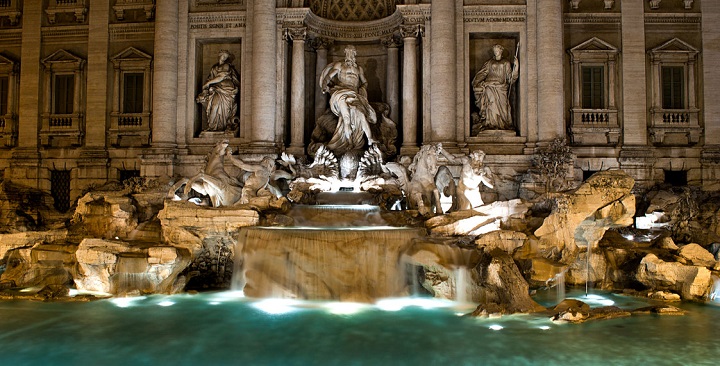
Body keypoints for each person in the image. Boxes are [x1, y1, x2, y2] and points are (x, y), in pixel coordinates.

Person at [319, 45, 377, 152]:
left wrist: (362, 89)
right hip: (341, 93)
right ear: (345, 53)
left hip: (354, 94)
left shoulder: (358, 69)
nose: (350, 54)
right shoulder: (339, 65)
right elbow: (329, 77)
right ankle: (349, 143)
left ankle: (370, 139)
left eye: (353, 52)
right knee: (346, 118)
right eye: (348, 52)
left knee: (362, 115)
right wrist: (324, 85)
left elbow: (364, 82)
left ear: (355, 54)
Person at [472, 44, 519, 131]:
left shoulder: (506, 63)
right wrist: (476, 82)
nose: (496, 52)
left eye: (497, 50)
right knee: (491, 103)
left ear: (501, 51)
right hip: (489, 85)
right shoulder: (489, 62)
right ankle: (491, 124)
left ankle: (503, 124)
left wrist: (516, 67)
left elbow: (510, 78)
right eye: (494, 51)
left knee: (504, 107)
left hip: (502, 87)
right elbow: (483, 73)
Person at [197, 50, 239, 131]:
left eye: (226, 57)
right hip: (216, 89)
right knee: (214, 106)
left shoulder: (226, 66)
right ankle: (212, 127)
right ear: (219, 55)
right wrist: (206, 88)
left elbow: (221, 77)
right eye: (223, 56)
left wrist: (208, 83)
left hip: (227, 90)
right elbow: (211, 78)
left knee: (222, 109)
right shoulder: (214, 67)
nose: (224, 58)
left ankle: (219, 127)